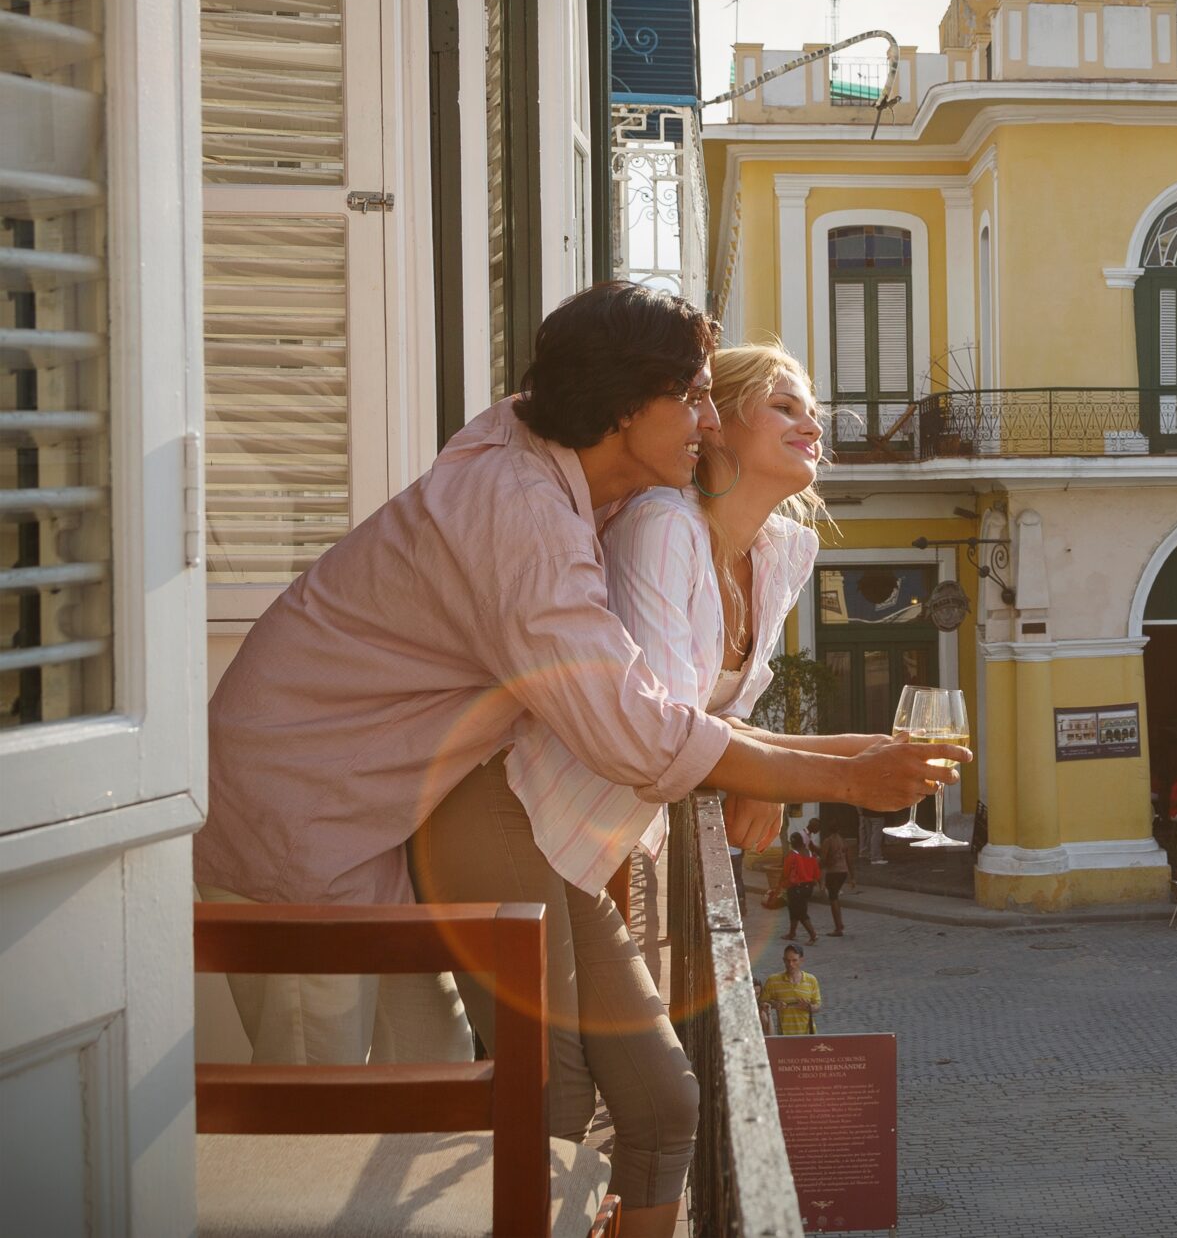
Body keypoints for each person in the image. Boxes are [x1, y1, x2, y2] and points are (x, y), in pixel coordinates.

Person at [198, 293, 962, 1238]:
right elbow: (633, 730)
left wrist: (831, 759)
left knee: (429, 1090)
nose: (708, 420)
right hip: (295, 818)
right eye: (692, 397)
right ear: (623, 407)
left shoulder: (554, 475)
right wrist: (842, 778)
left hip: (374, 820)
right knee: (321, 1134)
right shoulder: (519, 512)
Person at [758, 944, 821, 1037]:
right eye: (787, 960)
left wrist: (809, 1007)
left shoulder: (811, 980)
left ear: (801, 960)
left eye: (794, 960)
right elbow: (761, 1003)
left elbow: (818, 1006)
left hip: (809, 1035)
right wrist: (774, 1004)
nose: (790, 964)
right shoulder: (773, 981)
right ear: (783, 960)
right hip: (784, 1036)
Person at [782, 831, 821, 944]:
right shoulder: (810, 854)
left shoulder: (792, 855)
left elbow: (786, 872)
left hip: (796, 887)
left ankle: (813, 935)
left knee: (800, 912)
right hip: (808, 887)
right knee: (794, 909)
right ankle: (792, 933)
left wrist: (782, 884)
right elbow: (816, 872)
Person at [818, 826, 852, 937]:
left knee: (833, 898)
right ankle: (839, 924)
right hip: (843, 871)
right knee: (835, 896)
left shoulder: (828, 841)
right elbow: (849, 860)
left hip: (833, 872)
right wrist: (852, 877)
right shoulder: (844, 841)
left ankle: (838, 927)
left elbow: (823, 860)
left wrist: (820, 877)